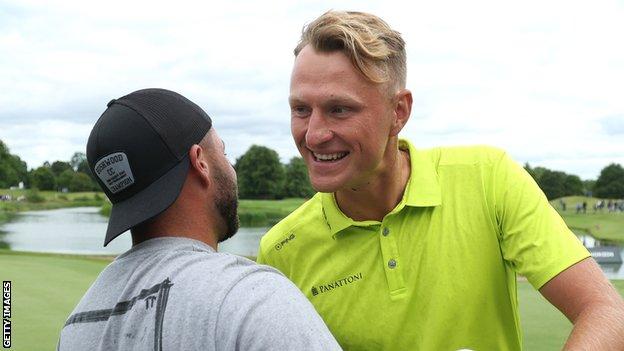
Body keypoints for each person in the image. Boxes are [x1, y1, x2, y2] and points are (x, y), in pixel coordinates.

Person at [257, 11, 624, 350]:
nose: (315, 134)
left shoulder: (488, 176)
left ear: (398, 112)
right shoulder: (280, 252)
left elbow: (607, 312)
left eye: (339, 109)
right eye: (301, 109)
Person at [58, 89, 341, 350]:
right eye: (224, 151)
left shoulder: (76, 323)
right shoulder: (253, 298)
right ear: (200, 161)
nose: (231, 168)